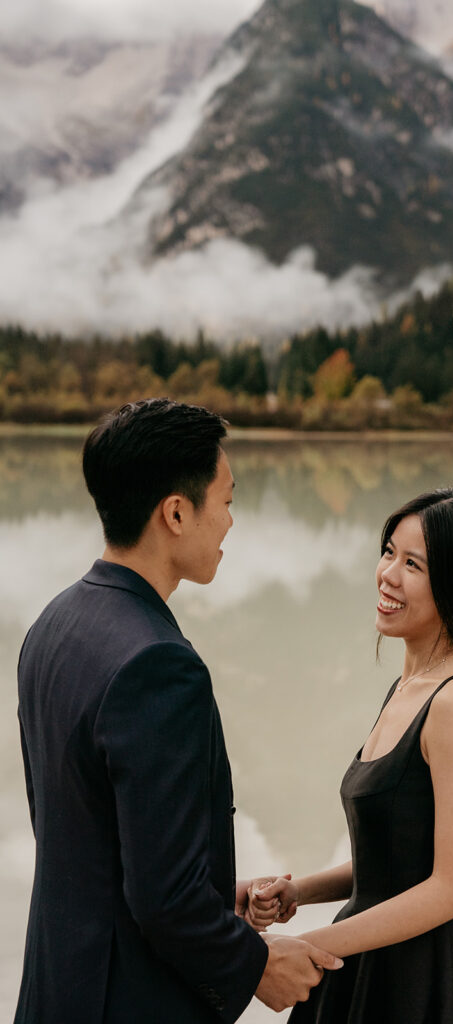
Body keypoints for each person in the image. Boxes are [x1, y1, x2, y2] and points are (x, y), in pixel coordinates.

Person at [14, 398, 341, 1024]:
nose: (229, 522)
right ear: (175, 512)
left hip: (57, 988)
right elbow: (163, 900)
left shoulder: (52, 624)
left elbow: (90, 838)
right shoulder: (159, 666)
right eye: (227, 501)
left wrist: (219, 896)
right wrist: (255, 964)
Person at [248, 487, 453, 1023]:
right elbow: (399, 858)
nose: (388, 574)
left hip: (425, 983)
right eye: (388, 552)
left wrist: (308, 945)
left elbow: (452, 887)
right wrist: (299, 890)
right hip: (365, 959)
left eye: (414, 565)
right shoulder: (412, 686)